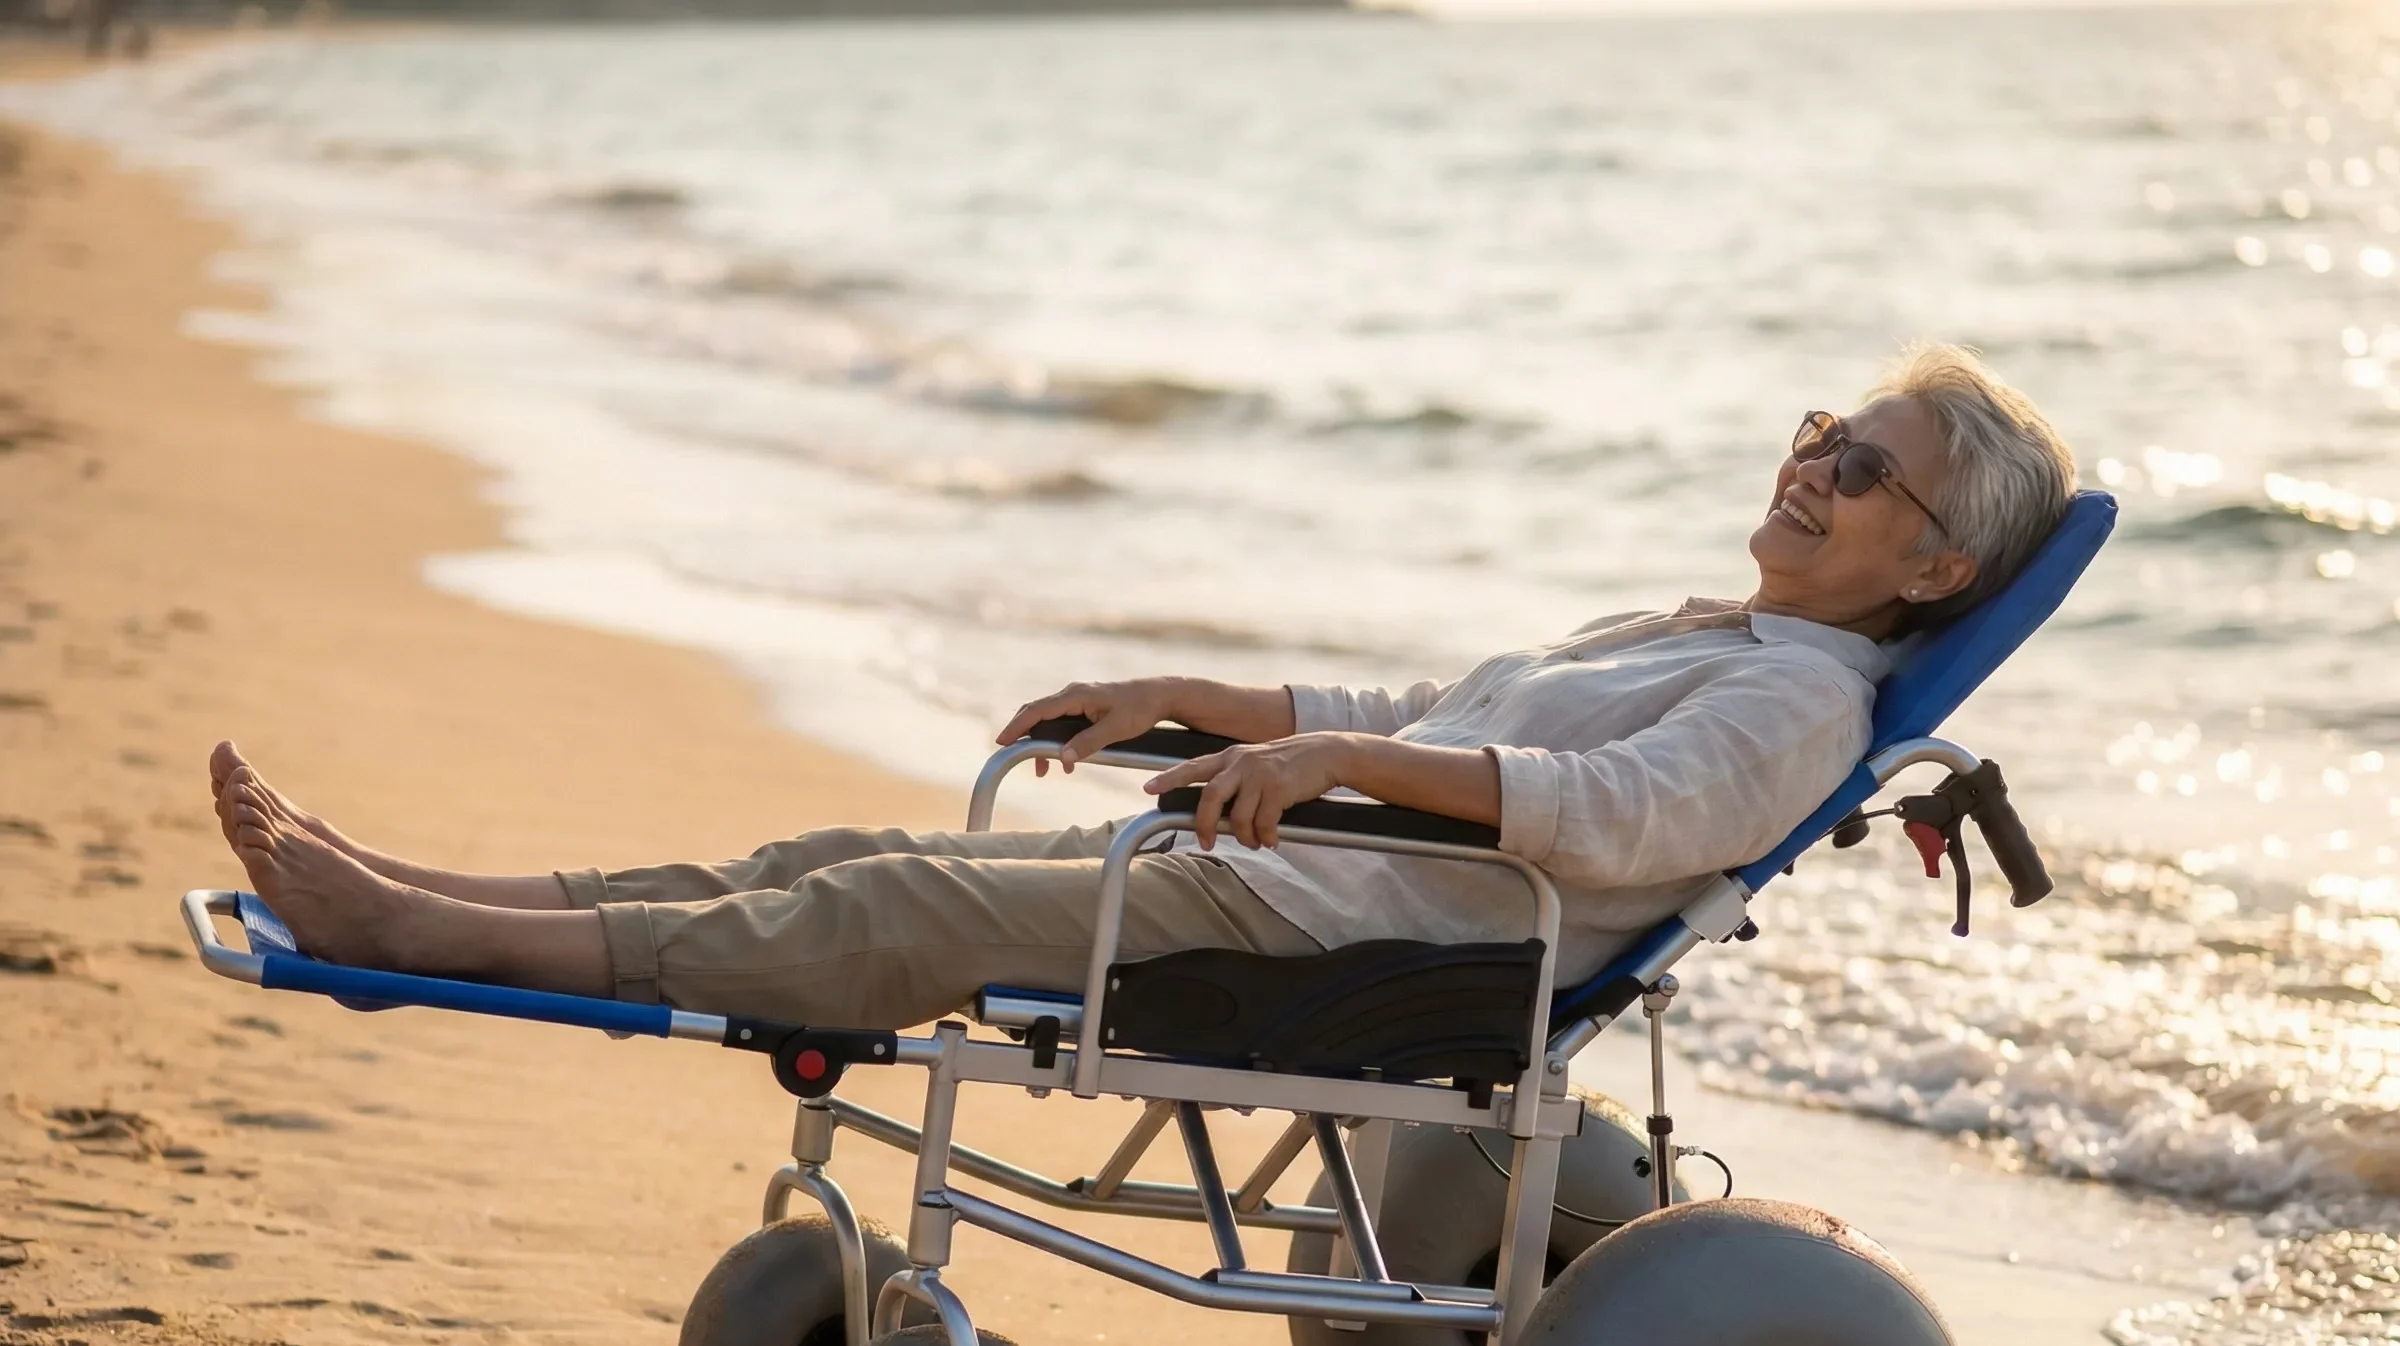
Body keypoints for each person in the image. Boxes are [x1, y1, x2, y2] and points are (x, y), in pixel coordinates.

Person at [212, 343, 2075, 1028]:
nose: (1811, 465)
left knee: (891, 903)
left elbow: (1601, 821)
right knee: (823, 848)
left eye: (1862, 465)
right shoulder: (1714, 636)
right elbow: (1448, 700)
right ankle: (426, 905)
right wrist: (1195, 693)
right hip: (1315, 872)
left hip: (1360, 934)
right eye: (1825, 429)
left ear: (1936, 567)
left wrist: (1343, 757)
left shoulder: (1796, 710)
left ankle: (418, 929)